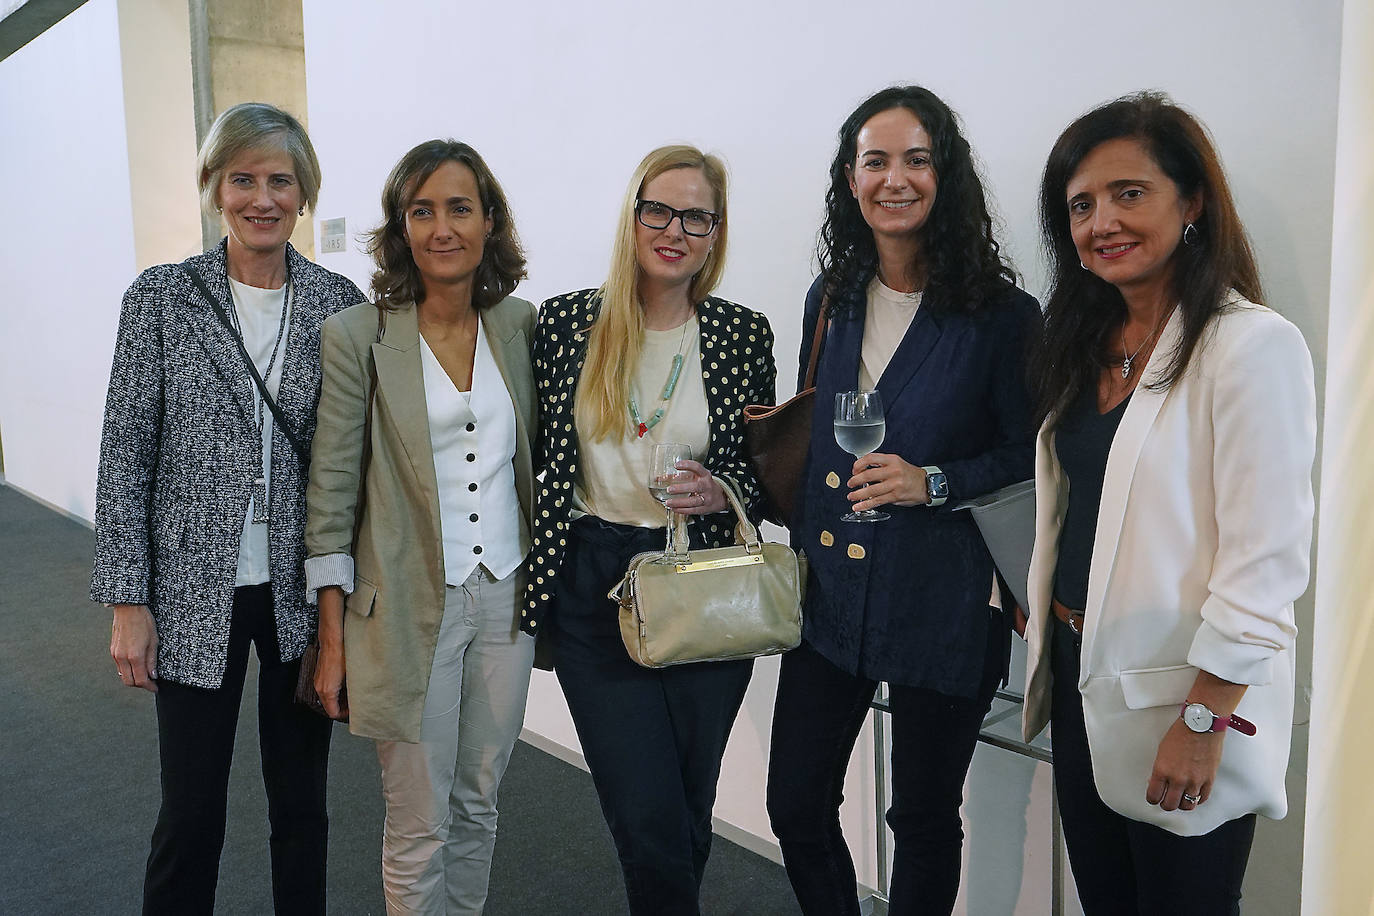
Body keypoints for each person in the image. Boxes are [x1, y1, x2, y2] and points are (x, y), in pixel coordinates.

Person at [1020, 91, 1316, 915]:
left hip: (1184, 703)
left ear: (1191, 203)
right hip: (1087, 684)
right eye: (1080, 206)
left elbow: (1267, 559)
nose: (1102, 221)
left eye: (1129, 193)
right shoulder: (1087, 345)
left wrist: (1203, 721)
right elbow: (1083, 505)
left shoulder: (1249, 346)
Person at [765, 86, 1041, 916]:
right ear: (850, 181)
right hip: (833, 589)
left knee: (922, 816)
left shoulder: (1003, 316)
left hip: (944, 596)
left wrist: (936, 482)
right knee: (796, 804)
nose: (896, 178)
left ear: (943, 175)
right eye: (875, 161)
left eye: (916, 160)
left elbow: (1032, 452)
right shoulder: (832, 300)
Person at [91, 102, 363, 915]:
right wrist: (127, 601)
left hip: (297, 590)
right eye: (242, 178)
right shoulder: (163, 298)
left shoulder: (337, 302)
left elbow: (349, 463)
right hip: (189, 593)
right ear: (215, 188)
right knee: (191, 813)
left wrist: (343, 610)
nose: (262, 197)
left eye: (280, 180)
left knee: (302, 810)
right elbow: (124, 455)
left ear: (304, 193)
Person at [520, 145, 775, 915]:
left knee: (689, 804)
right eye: (658, 210)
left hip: (700, 584)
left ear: (716, 230)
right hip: (595, 582)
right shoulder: (568, 322)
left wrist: (723, 487)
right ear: (633, 217)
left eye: (696, 215)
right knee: (645, 813)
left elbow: (764, 472)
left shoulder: (739, 333)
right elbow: (531, 452)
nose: (675, 229)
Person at [304, 139, 537, 915]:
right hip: (402, 612)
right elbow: (331, 497)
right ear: (402, 228)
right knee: (417, 821)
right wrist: (332, 641)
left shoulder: (521, 326)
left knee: (478, 802)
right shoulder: (358, 338)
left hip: (503, 599)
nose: (443, 227)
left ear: (489, 220)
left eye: (460, 208)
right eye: (422, 210)